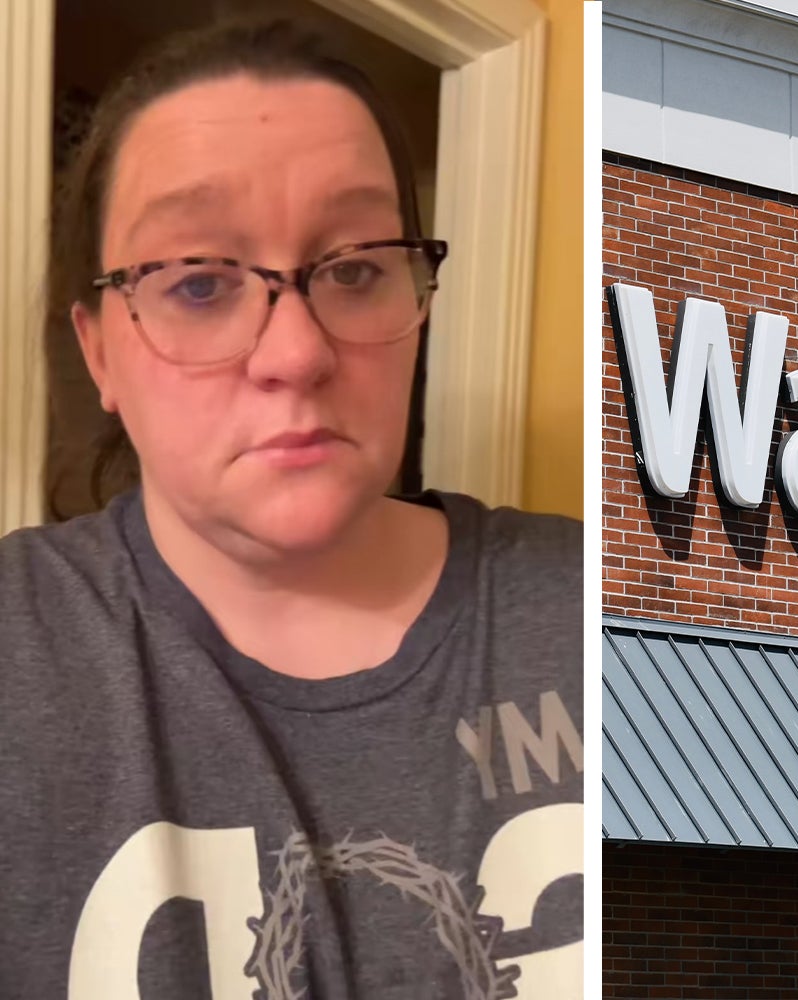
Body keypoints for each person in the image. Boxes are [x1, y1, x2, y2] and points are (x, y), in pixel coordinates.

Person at [0, 18, 582, 996]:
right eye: (197, 282)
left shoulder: (575, 609)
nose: (297, 354)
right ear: (100, 349)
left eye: (354, 269)